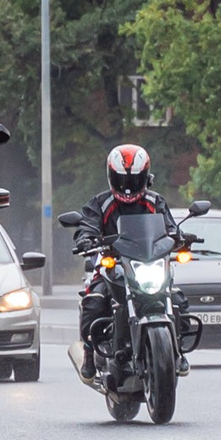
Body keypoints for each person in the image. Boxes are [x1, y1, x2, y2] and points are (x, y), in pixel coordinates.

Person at [69, 145, 178, 380]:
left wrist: (180, 237)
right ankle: (90, 352)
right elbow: (87, 224)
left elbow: (170, 227)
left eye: (134, 180)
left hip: (149, 263)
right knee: (94, 301)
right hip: (113, 264)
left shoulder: (155, 202)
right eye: (121, 180)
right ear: (111, 176)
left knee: (177, 296)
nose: (127, 187)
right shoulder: (100, 203)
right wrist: (86, 239)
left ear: (146, 177)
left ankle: (178, 348)